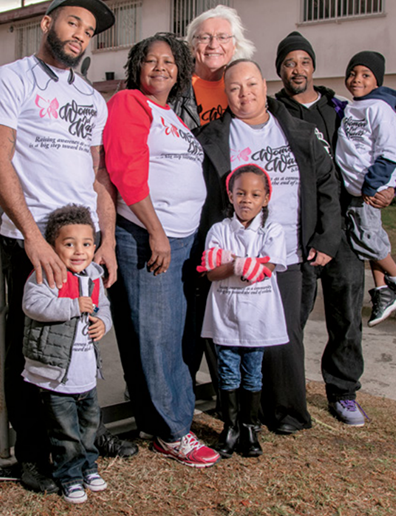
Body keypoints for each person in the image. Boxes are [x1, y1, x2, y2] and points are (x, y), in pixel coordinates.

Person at [0, 0, 137, 494]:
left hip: (82, 246)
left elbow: (96, 179)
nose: (80, 34)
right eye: (74, 23)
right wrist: (32, 237)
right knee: (35, 352)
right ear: (47, 22)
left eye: (89, 31)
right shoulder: (11, 78)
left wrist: (107, 238)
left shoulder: (91, 99)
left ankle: (79, 444)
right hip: (34, 243)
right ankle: (33, 457)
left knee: (83, 342)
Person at [195, 59, 341, 435]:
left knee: (284, 335)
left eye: (252, 85)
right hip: (232, 255)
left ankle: (287, 412)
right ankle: (241, 415)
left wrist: (326, 238)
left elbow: (327, 186)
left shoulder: (299, 132)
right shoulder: (212, 136)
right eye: (235, 88)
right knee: (233, 334)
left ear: (265, 84)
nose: (245, 94)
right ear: (225, 94)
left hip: (289, 254)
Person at [103, 32, 220, 468]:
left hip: (184, 240)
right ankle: (172, 431)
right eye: (151, 60)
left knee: (175, 335)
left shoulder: (172, 115)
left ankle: (163, 418)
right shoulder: (129, 104)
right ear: (137, 67)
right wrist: (156, 231)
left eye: (169, 61)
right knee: (157, 336)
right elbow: (126, 171)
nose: (160, 67)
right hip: (152, 239)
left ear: (181, 70)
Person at [274, 32, 395, 426]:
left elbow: (381, 144)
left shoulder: (341, 109)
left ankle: (343, 391)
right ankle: (284, 395)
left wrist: (389, 184)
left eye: (304, 62)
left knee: (345, 315)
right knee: (292, 317)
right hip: (299, 230)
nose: (298, 69)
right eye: (289, 63)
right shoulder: (274, 113)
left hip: (342, 229)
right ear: (281, 70)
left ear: (313, 67)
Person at [22, 205, 111, 504]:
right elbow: (33, 305)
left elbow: (105, 308)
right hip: (55, 377)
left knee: (88, 427)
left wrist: (103, 323)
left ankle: (88, 467)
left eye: (86, 244)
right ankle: (69, 476)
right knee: (65, 434)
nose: (78, 251)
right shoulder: (45, 275)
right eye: (69, 243)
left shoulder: (95, 276)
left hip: (86, 375)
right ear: (53, 246)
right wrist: (73, 306)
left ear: (94, 247)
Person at [199, 164, 288, 458]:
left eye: (254, 194)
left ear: (265, 198)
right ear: (230, 196)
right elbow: (211, 272)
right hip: (226, 314)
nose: (246, 199)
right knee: (227, 372)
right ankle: (231, 427)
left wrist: (232, 262)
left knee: (252, 373)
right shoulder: (219, 230)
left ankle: (250, 428)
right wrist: (241, 264)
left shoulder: (273, 230)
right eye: (240, 193)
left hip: (258, 317)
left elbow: (266, 269)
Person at [336, 51, 396, 326]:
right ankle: (383, 292)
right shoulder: (351, 107)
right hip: (356, 190)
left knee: (368, 239)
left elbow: (389, 152)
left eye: (365, 75)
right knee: (365, 238)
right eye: (353, 73)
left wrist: (373, 186)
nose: (357, 79)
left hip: (369, 189)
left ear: (377, 81)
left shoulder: (380, 109)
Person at [171, 5, 255, 129]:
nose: (213, 45)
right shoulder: (173, 89)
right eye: (205, 37)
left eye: (222, 37)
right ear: (193, 46)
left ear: (234, 46)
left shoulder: (247, 88)